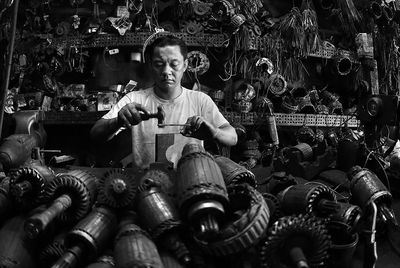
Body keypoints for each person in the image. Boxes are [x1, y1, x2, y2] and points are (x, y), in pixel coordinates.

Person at [90, 34, 237, 168]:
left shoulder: (200, 100)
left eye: (174, 64)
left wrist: (215, 132)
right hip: (147, 184)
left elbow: (232, 137)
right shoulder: (134, 99)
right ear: (151, 66)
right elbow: (95, 134)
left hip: (190, 182)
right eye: (159, 64)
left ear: (185, 65)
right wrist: (117, 122)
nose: (166, 71)